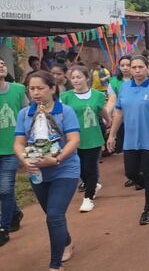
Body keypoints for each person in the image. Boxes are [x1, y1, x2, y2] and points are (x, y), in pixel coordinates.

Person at [13, 71, 80, 270]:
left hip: (64, 169)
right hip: (37, 172)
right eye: (31, 89)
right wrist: (24, 160)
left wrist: (56, 159)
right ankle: (66, 241)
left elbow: (74, 140)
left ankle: (55, 264)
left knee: (54, 215)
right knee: (53, 215)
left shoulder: (64, 111)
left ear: (52, 88)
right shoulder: (25, 113)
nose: (35, 93)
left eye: (40, 88)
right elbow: (18, 143)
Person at [106, 56, 149, 226]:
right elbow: (119, 112)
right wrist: (112, 134)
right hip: (130, 139)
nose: (136, 70)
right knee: (130, 173)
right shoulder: (125, 87)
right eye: (133, 67)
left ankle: (147, 209)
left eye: (140, 67)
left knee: (148, 173)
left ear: (147, 68)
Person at [59, 66, 110, 213]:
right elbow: (61, 115)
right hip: (74, 137)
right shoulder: (66, 97)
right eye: (73, 77)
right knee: (79, 168)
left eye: (79, 77)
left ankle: (88, 198)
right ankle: (93, 185)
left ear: (87, 78)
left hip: (93, 135)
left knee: (90, 167)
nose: (76, 80)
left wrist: (109, 121)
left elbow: (102, 110)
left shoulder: (97, 95)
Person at [0, 58, 26, 246]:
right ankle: (16, 212)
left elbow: (27, 113)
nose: (1, 64)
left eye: (2, 62)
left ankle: (3, 228)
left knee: (5, 187)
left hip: (13, 147)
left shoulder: (18, 89)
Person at [105, 56, 132, 162]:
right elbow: (112, 100)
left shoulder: (140, 79)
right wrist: (106, 115)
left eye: (128, 65)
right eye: (122, 65)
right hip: (121, 117)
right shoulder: (114, 82)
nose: (125, 68)